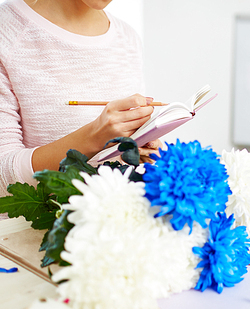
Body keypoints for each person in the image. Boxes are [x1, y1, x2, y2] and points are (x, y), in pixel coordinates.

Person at [0, 0, 161, 198]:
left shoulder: (128, 38)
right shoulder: (6, 31)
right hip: (36, 228)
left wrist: (143, 148)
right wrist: (95, 137)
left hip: (116, 222)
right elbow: (3, 178)